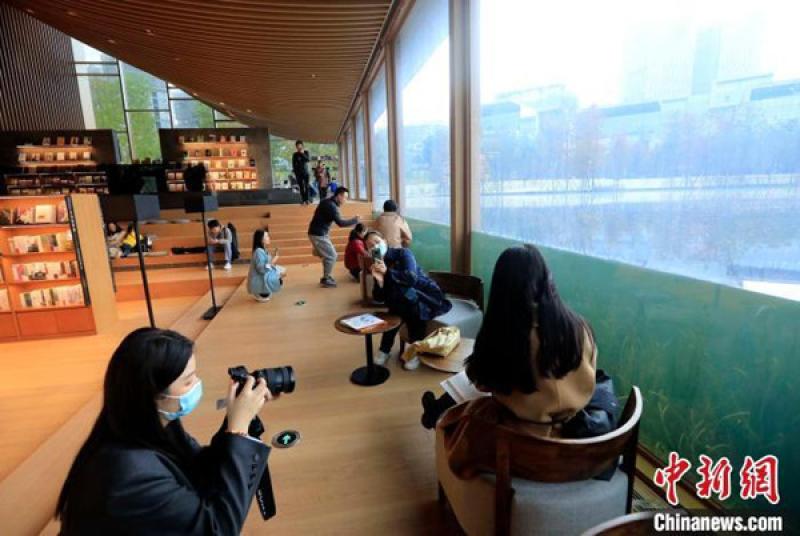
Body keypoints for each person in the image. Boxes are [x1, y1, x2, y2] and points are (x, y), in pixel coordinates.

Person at [55, 328, 276, 534]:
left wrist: (236, 421)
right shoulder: (129, 475)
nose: (198, 384)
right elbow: (218, 528)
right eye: (188, 381)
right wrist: (237, 431)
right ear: (154, 394)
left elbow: (201, 470)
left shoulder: (148, 426)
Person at [425, 245, 598, 457]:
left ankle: (432, 413)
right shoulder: (580, 326)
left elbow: (480, 382)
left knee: (465, 401)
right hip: (578, 435)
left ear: (501, 287)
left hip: (521, 443)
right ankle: (432, 411)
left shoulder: (504, 335)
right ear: (546, 280)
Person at [365, 231, 452, 370]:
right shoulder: (378, 263)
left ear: (385, 242)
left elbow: (411, 278)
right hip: (399, 299)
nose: (374, 247)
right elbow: (378, 298)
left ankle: (414, 350)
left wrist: (388, 272)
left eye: (376, 242)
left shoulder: (404, 253)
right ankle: (385, 350)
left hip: (422, 293)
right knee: (395, 310)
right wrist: (379, 281)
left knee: (411, 309)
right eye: (370, 246)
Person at [307, 187, 359, 288]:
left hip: (319, 233)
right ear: (339, 196)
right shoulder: (331, 206)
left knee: (328, 255)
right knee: (332, 256)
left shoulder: (328, 202)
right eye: (345, 197)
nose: (346, 200)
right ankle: (326, 278)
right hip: (318, 234)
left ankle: (325, 270)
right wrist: (355, 220)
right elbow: (341, 223)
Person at [248, 229, 286, 302]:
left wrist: (278, 272)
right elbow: (262, 269)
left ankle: (264, 291)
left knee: (280, 273)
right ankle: (260, 292)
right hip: (258, 280)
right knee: (278, 278)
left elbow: (269, 266)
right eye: (267, 236)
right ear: (261, 239)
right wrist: (274, 259)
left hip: (261, 277)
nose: (269, 237)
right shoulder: (258, 252)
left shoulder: (263, 250)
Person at [292, 140, 311, 205]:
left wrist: (302, 153)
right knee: (301, 187)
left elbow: (308, 160)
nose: (298, 147)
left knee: (307, 186)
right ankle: (303, 200)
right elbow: (293, 164)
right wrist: (295, 173)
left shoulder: (306, 152)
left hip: (306, 172)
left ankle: (307, 200)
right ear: (296, 147)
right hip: (298, 173)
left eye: (299, 145)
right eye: (297, 146)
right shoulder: (295, 154)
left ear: (302, 146)